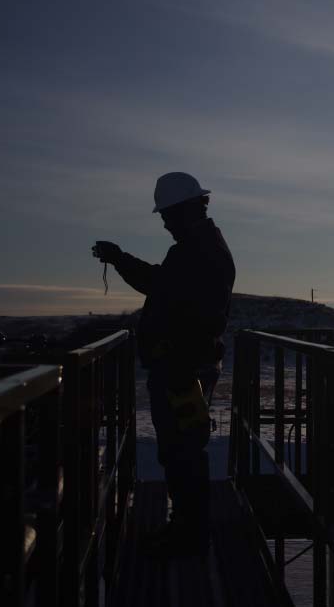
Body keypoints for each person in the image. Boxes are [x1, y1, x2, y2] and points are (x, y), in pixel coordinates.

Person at [92, 172, 236, 557]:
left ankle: (190, 535)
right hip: (182, 368)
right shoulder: (195, 248)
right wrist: (120, 258)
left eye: (169, 215)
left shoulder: (200, 251)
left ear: (190, 209)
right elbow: (161, 283)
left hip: (184, 371)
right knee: (179, 450)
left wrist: (177, 360)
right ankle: (188, 528)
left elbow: (197, 311)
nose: (166, 223)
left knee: (183, 450)